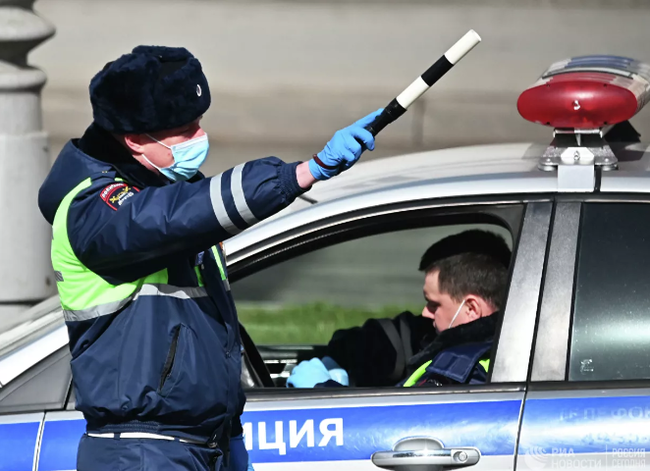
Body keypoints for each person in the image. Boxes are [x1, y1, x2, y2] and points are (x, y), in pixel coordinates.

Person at [37, 45, 381, 471]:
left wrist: (232, 441)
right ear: (134, 139)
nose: (200, 137)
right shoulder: (94, 207)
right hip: (143, 453)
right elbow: (168, 219)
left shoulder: (167, 191)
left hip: (206, 443)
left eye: (200, 121)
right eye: (185, 128)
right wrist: (301, 173)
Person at [286, 229, 511, 389]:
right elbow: (403, 335)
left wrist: (322, 390)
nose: (425, 312)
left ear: (471, 309)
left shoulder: (466, 374)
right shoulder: (465, 344)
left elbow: (397, 425)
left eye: (434, 304)